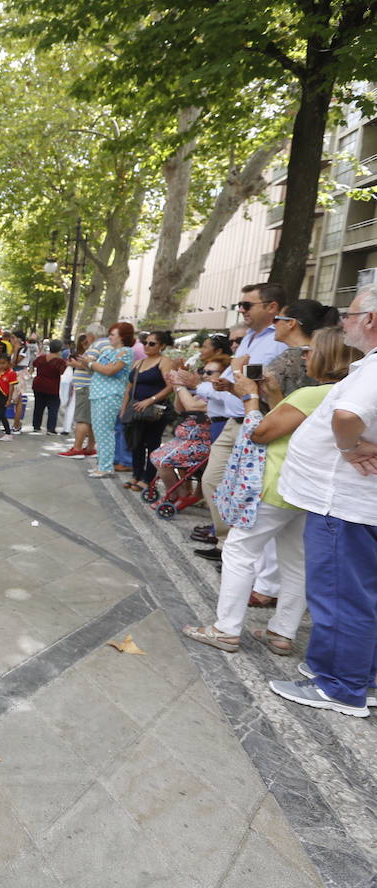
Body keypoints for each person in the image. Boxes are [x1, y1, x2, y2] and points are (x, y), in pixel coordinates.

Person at [183, 327, 362, 656]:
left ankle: (225, 629)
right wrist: (274, 395)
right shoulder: (342, 393)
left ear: (328, 356)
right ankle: (282, 632)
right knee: (295, 560)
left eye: (311, 351)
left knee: (239, 551)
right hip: (305, 490)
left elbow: (260, 432)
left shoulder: (314, 394)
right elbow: (290, 425)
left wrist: (251, 396)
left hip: (276, 484)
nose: (304, 356)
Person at [268, 290, 377, 717]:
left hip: (344, 503)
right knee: (358, 595)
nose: (342, 321)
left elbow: (346, 416)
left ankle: (340, 686)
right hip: (353, 504)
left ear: (371, 319)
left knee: (339, 595)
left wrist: (348, 448)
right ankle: (361, 678)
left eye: (349, 314)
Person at [190, 284, 290, 559]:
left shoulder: (278, 339)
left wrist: (234, 375)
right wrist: (225, 383)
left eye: (247, 305)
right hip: (235, 420)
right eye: (240, 305)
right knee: (212, 480)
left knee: (250, 486)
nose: (242, 310)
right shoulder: (247, 338)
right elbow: (241, 381)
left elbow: (262, 383)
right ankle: (225, 541)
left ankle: (239, 549)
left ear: (271, 307)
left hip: (257, 420)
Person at [152, 357, 226, 499]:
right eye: (203, 371)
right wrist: (176, 383)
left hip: (201, 443)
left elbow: (192, 406)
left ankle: (175, 495)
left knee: (162, 460)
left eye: (209, 372)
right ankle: (182, 492)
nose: (204, 375)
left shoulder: (220, 395)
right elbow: (180, 409)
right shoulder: (204, 391)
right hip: (187, 440)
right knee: (157, 456)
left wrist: (179, 384)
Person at [120, 331, 176, 491]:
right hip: (136, 409)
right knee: (135, 443)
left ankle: (148, 478)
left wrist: (150, 400)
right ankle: (136, 475)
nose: (147, 346)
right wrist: (124, 408)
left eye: (152, 343)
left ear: (162, 346)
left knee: (152, 443)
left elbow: (170, 386)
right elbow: (129, 388)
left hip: (154, 411)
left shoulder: (164, 361)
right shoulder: (139, 363)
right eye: (145, 342)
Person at [81, 321, 134, 478]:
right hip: (98, 393)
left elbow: (110, 370)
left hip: (110, 395)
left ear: (122, 337)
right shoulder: (109, 351)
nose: (109, 337)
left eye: (112, 334)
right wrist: (86, 364)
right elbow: (99, 369)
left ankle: (105, 466)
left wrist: (90, 363)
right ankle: (102, 464)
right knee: (99, 431)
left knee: (105, 431)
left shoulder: (126, 351)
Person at [60, 322, 107, 458]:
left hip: (86, 387)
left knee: (82, 419)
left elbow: (90, 365)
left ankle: (77, 448)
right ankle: (90, 447)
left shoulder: (97, 346)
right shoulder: (103, 345)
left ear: (91, 335)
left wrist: (76, 364)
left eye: (87, 336)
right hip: (90, 386)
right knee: (90, 419)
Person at [29, 340, 67, 434]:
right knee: (53, 407)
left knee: (38, 406)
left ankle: (36, 426)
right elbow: (61, 372)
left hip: (38, 384)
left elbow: (34, 365)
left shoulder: (42, 357)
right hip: (52, 386)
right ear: (59, 350)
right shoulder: (60, 361)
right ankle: (50, 428)